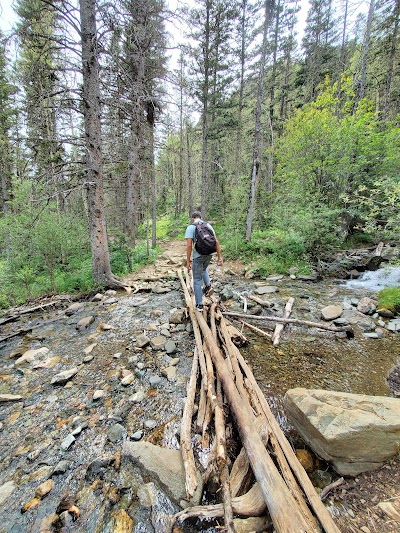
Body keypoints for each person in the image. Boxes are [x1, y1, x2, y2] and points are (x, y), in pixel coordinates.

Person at [185, 211, 223, 310]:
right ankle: (208, 286)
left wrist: (188, 261)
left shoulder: (191, 227)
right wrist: (219, 257)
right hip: (209, 254)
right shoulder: (208, 226)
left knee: (197, 280)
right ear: (201, 217)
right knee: (203, 269)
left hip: (198, 256)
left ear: (193, 218)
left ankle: (199, 304)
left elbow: (189, 245)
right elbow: (216, 242)